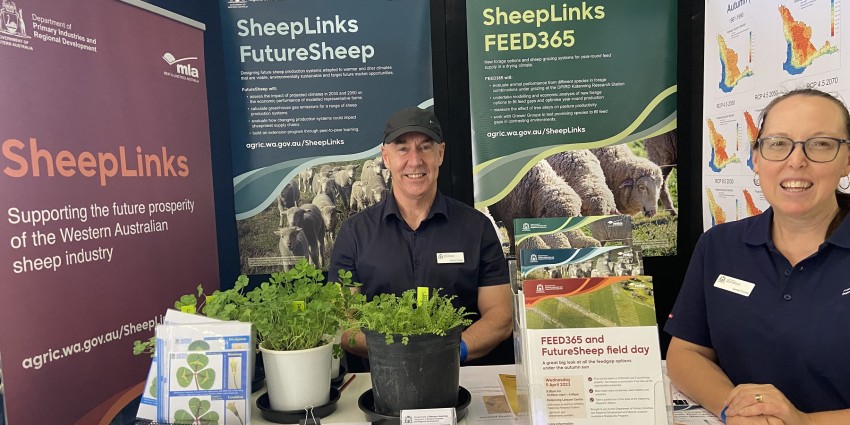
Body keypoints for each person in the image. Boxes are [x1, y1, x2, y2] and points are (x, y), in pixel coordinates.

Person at [665, 88, 850, 424]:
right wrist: (733, 408)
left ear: (847, 160)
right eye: (778, 143)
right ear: (756, 158)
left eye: (820, 144)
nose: (796, 161)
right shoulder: (719, 246)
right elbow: (685, 353)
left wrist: (805, 422)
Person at [329, 107, 513, 369]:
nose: (414, 161)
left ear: (441, 153)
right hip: (379, 384)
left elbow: (501, 316)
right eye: (402, 149)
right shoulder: (354, 233)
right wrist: (399, 356)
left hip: (460, 381)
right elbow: (343, 322)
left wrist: (451, 352)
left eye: (425, 147)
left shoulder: (477, 228)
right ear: (385, 157)